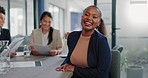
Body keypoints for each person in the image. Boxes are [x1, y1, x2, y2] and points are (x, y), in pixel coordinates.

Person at [56, 5, 111, 78]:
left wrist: (75, 69)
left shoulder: (101, 41)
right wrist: (65, 64)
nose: (89, 18)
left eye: (94, 17)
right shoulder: (72, 37)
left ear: (98, 23)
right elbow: (69, 57)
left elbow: (102, 73)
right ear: (82, 17)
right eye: (86, 14)